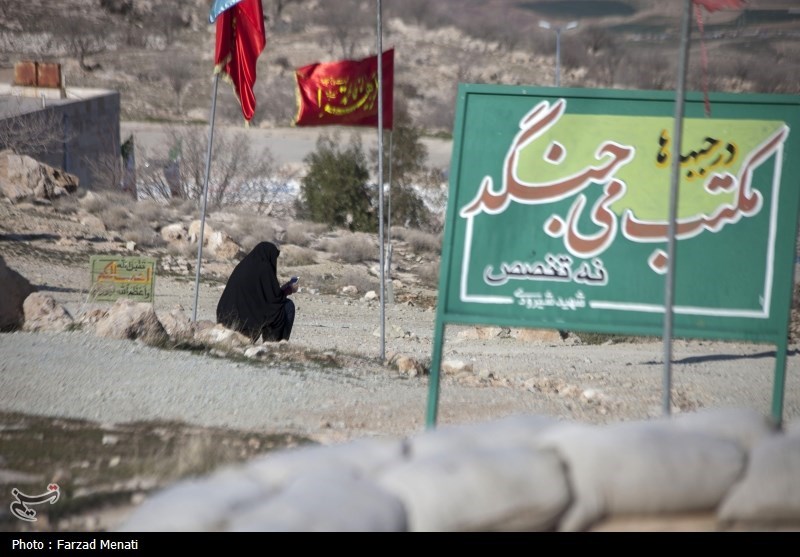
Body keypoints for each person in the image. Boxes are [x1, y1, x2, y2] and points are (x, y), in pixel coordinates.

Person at [216, 241, 298, 343]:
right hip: (244, 325)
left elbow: (264, 296)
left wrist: (282, 290)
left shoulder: (244, 265)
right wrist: (288, 289)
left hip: (225, 318)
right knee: (287, 306)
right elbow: (274, 301)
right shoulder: (265, 268)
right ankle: (275, 343)